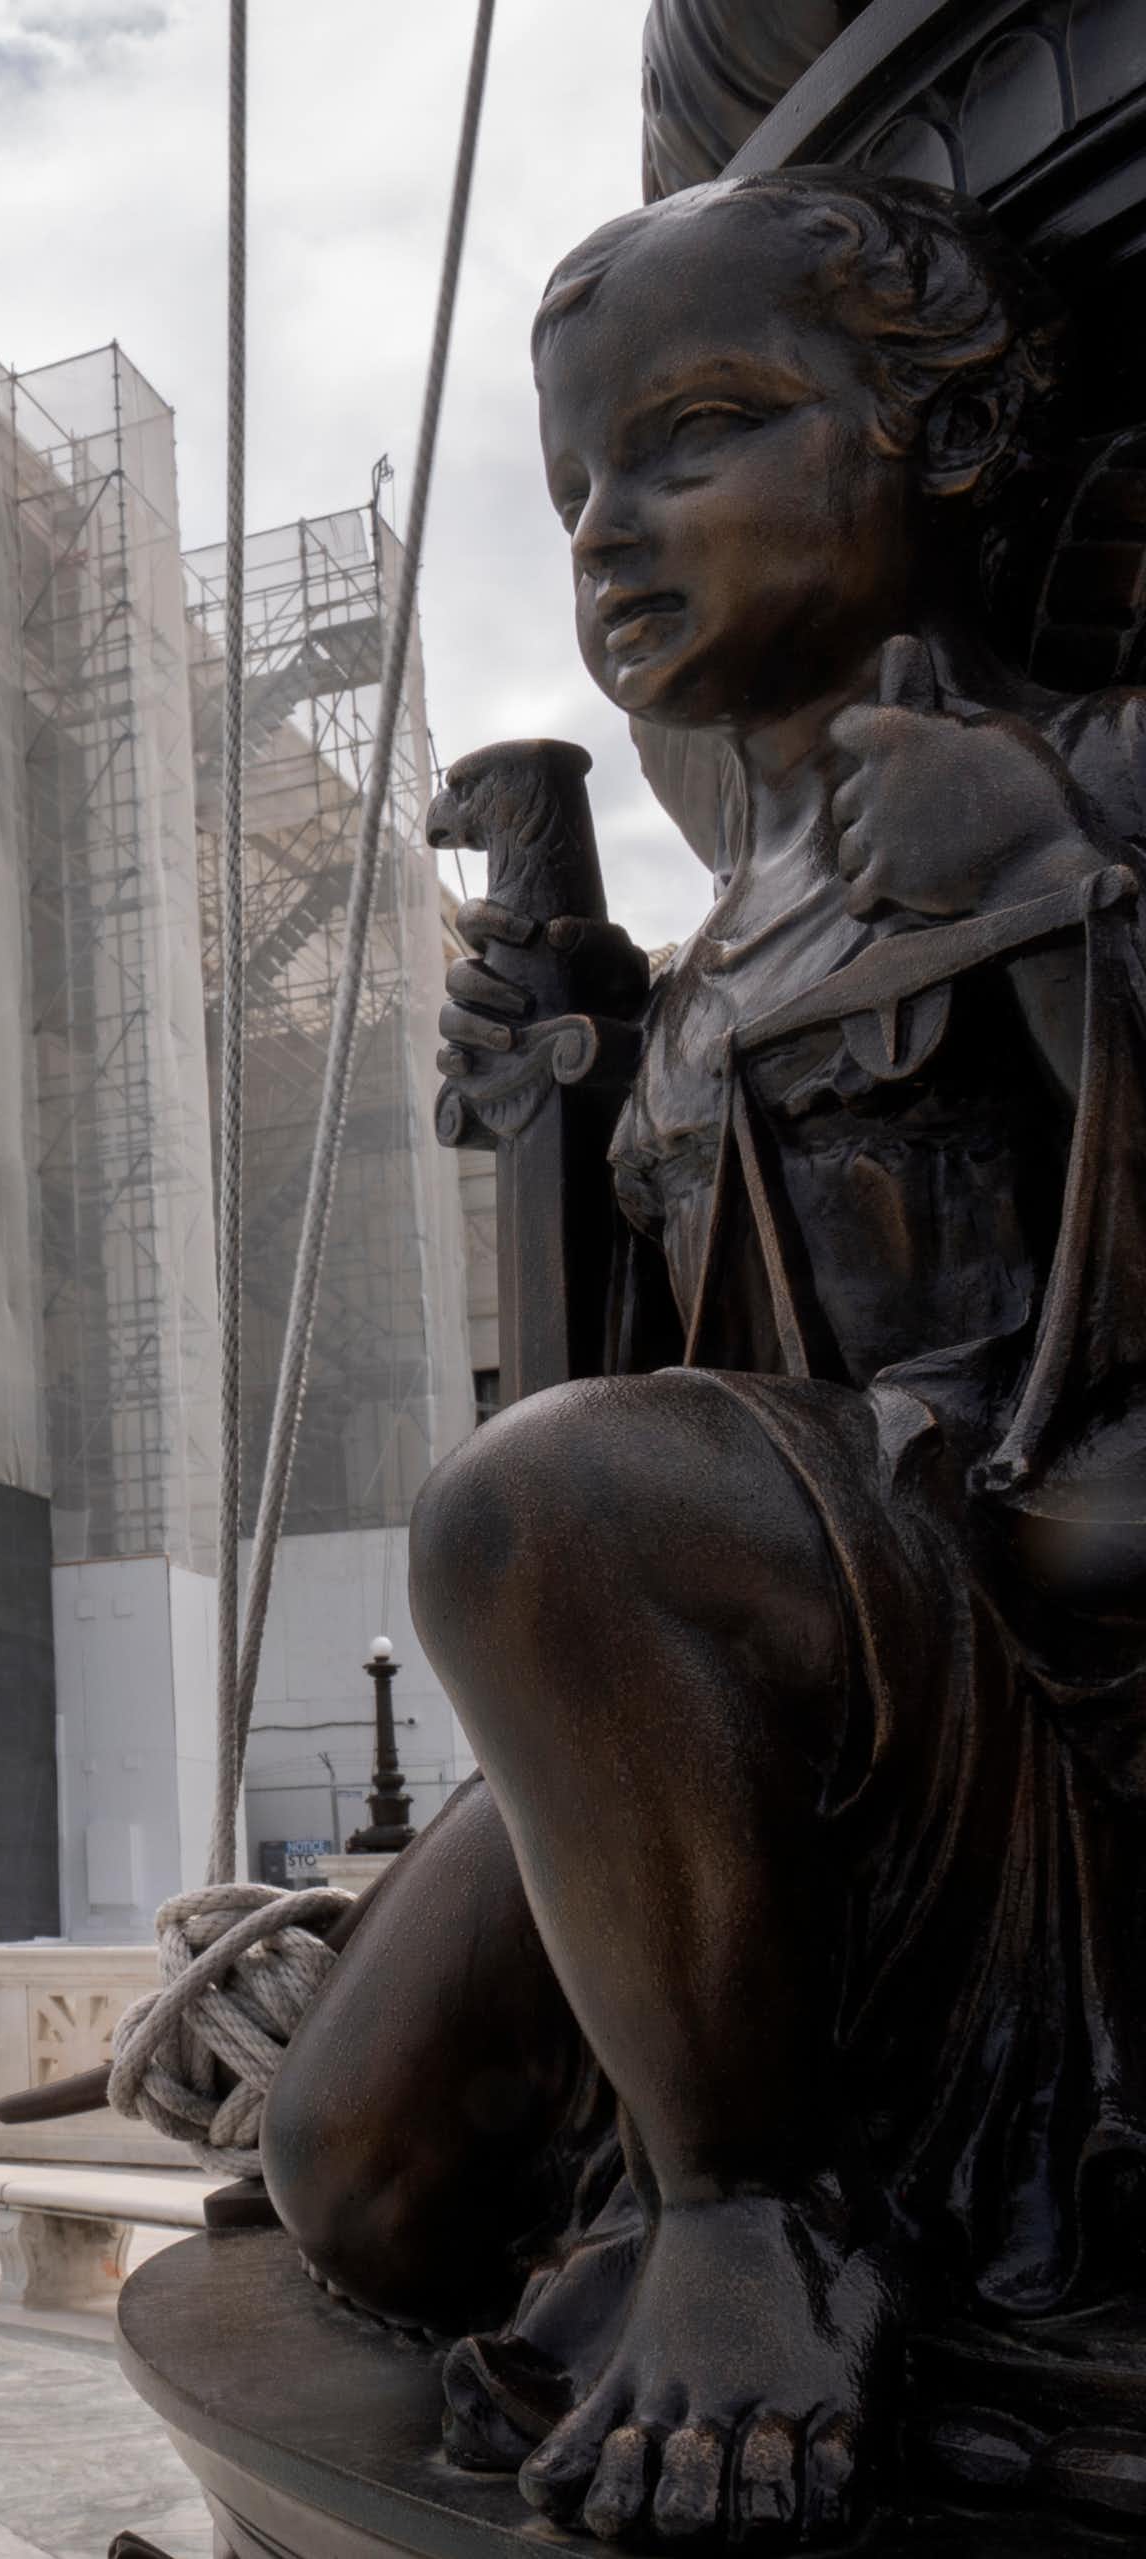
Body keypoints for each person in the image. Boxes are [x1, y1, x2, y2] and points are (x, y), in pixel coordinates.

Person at [262, 167, 1146, 2550]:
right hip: (797, 1641)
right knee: (352, 2173)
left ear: (944, 440)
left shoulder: (1093, 771)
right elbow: (647, 1433)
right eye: (575, 480)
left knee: (529, 1500)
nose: (607, 527)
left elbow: (598, 1491)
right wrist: (575, 1089)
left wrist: (1051, 890)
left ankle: (752, 2214)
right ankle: (683, 2134)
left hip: (1042, 1625)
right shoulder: (721, 943)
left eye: (699, 431)